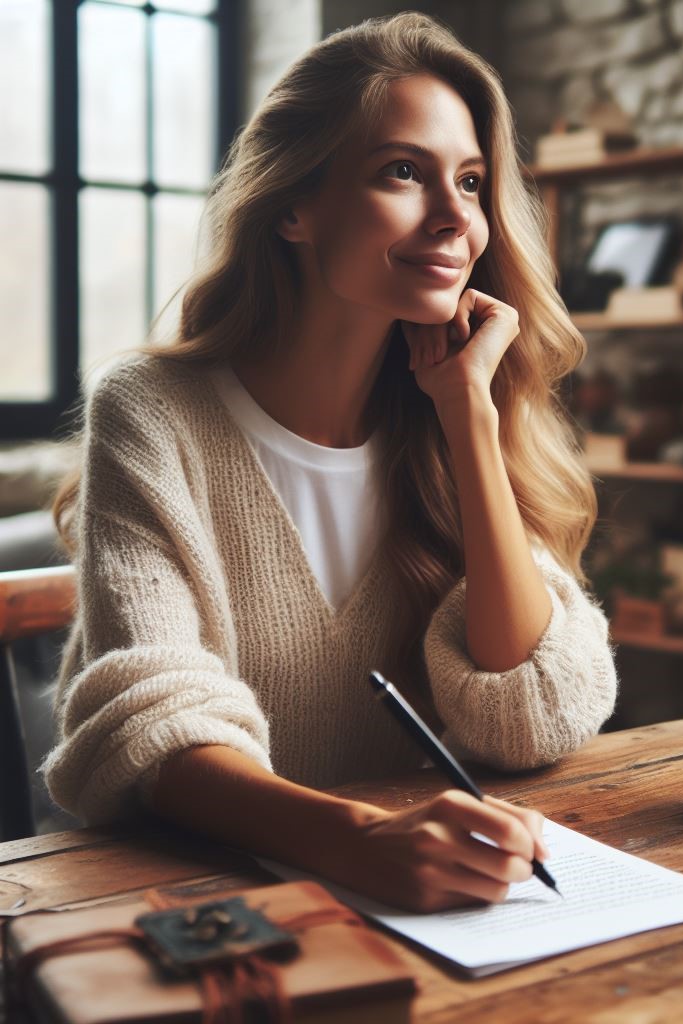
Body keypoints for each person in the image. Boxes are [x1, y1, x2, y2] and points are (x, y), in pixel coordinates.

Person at [44, 12, 617, 913]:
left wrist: (467, 415)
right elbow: (154, 722)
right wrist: (358, 842)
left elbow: (531, 716)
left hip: (434, 910)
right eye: (403, 172)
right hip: (208, 902)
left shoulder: (452, 411)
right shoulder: (152, 412)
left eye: (471, 181)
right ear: (294, 208)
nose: (455, 217)